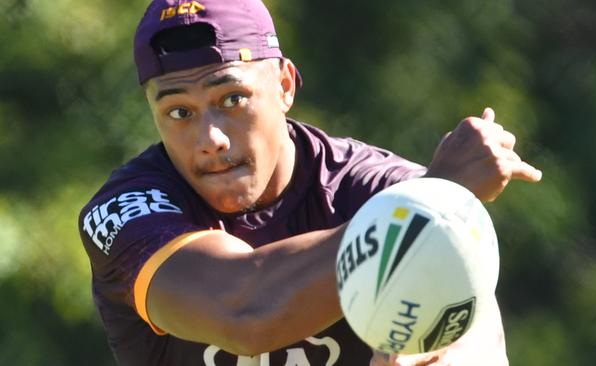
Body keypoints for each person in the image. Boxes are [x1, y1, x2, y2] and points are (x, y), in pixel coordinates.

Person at [78, 0, 542, 365]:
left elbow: (475, 341)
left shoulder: (375, 187)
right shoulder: (127, 211)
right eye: (179, 112)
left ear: (284, 85)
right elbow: (244, 310)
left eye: (233, 98)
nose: (210, 138)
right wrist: (432, 201)